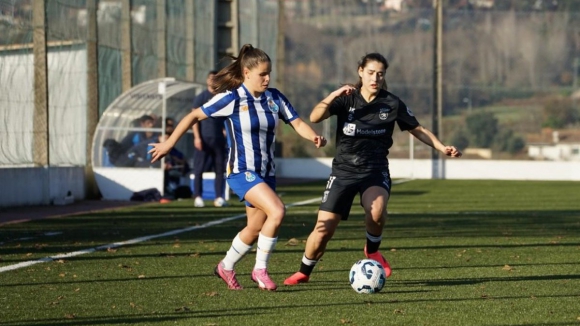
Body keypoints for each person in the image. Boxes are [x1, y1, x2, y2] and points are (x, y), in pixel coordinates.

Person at [148, 44, 327, 291]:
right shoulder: (232, 98)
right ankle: (260, 270)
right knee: (277, 211)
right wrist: (168, 143)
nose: (267, 78)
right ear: (246, 73)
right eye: (262, 74)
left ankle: (226, 266)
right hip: (242, 171)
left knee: (254, 228)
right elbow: (193, 116)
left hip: (266, 173)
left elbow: (296, 122)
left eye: (269, 73)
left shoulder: (275, 98)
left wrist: (314, 136)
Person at [283, 52, 462, 286]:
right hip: (343, 172)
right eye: (370, 73)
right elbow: (315, 116)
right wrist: (336, 93)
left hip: (375, 170)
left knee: (377, 210)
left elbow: (417, 128)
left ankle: (372, 249)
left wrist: (440, 147)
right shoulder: (346, 99)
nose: (375, 78)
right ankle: (304, 271)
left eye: (380, 74)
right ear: (360, 72)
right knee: (323, 230)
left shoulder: (391, 102)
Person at [191, 70, 228, 208]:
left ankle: (219, 197)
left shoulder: (222, 97)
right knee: (199, 169)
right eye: (211, 79)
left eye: (216, 79)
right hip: (204, 138)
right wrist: (197, 137)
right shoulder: (201, 97)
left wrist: (225, 130)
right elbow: (193, 118)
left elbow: (227, 117)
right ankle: (198, 196)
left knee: (220, 169)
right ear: (207, 81)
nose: (213, 81)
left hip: (218, 139)